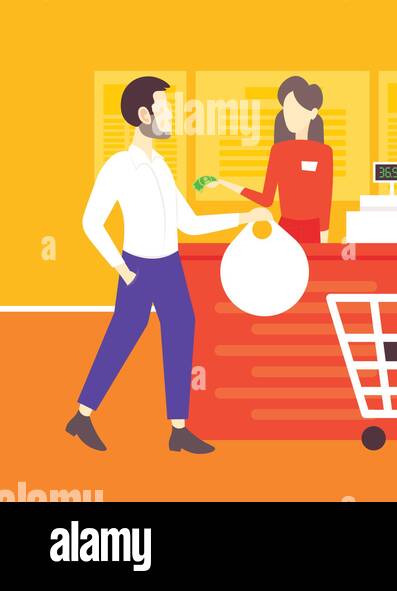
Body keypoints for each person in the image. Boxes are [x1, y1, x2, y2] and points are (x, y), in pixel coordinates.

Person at [69, 76, 272, 454]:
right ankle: (82, 415)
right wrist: (122, 268)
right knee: (124, 335)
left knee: (182, 330)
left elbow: (189, 223)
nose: (170, 115)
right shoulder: (119, 167)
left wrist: (243, 218)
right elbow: (89, 222)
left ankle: (178, 429)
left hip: (169, 266)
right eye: (163, 108)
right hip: (137, 268)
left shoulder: (161, 166)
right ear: (144, 114)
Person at [212, 76, 333, 243]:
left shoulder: (323, 153)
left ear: (312, 113)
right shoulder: (279, 151)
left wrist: (324, 239)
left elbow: (324, 200)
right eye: (286, 109)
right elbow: (266, 199)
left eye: (295, 109)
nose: (289, 115)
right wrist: (223, 183)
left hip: (313, 231)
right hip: (286, 229)